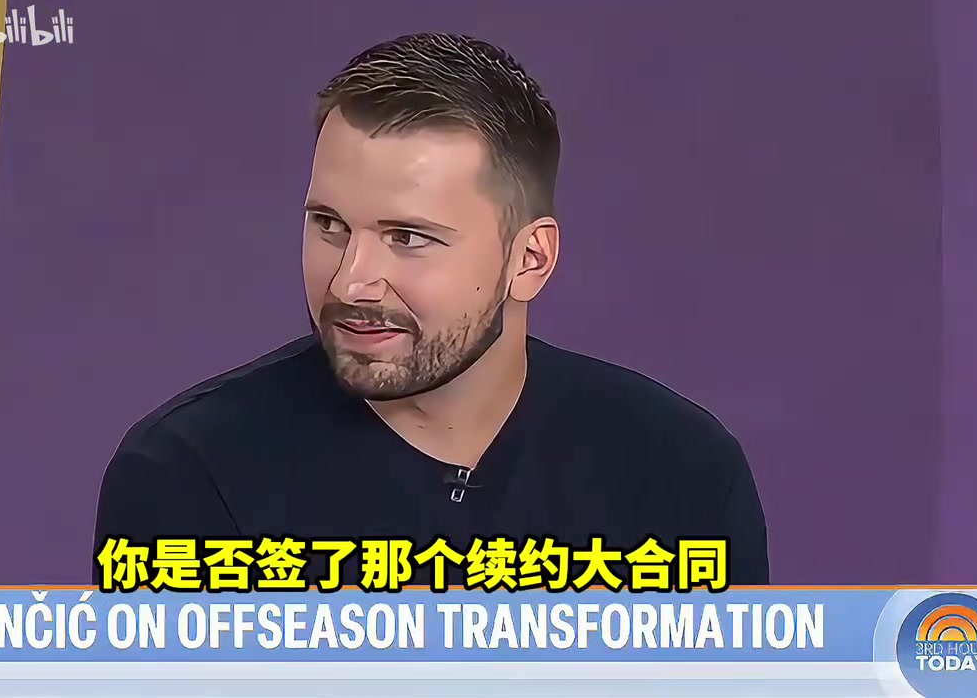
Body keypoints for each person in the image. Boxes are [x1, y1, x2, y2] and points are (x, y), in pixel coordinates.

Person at [94, 32, 770, 588]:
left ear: (529, 260)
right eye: (329, 225)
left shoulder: (682, 472)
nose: (352, 283)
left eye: (408, 238)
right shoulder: (191, 474)